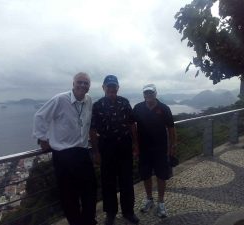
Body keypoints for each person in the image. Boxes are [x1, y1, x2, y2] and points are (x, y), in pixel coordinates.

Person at [33, 72, 97, 225]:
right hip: (63, 155)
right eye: (79, 82)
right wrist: (42, 139)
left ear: (89, 86)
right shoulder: (60, 99)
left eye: (86, 83)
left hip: (82, 151)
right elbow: (40, 116)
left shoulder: (89, 101)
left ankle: (88, 221)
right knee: (69, 195)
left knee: (90, 190)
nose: (82, 85)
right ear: (73, 84)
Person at [90, 75, 140, 225]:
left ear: (118, 87)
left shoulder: (124, 102)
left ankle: (128, 212)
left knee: (126, 180)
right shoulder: (97, 105)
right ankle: (110, 213)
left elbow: (132, 125)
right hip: (106, 147)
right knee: (108, 182)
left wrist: (136, 145)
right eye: (108, 86)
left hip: (124, 146)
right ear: (103, 88)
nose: (111, 89)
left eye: (114, 86)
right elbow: (92, 130)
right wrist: (96, 152)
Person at [133, 84, 177, 218]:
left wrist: (172, 146)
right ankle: (149, 199)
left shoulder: (164, 108)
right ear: (143, 95)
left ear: (155, 93)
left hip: (160, 149)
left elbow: (171, 128)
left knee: (161, 176)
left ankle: (161, 202)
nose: (148, 95)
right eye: (146, 93)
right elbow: (131, 126)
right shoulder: (138, 108)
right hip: (144, 150)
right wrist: (135, 146)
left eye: (151, 93)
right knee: (145, 176)